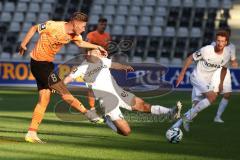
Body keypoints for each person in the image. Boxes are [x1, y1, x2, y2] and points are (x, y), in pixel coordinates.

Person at [19, 12, 107, 143]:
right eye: (83, 26)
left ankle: (31, 133)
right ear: (75, 23)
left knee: (44, 99)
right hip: (39, 63)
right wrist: (23, 44)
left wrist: (97, 46)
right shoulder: (52, 25)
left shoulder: (75, 35)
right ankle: (88, 114)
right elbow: (34, 28)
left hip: (47, 64)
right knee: (64, 92)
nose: (84, 29)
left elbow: (81, 44)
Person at [63, 49, 182, 136]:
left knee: (143, 106)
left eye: (99, 52)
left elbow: (114, 65)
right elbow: (68, 78)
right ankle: (108, 121)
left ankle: (170, 112)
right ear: (88, 54)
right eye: (96, 52)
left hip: (120, 93)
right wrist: (59, 86)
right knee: (126, 132)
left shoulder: (103, 61)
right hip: (107, 101)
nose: (99, 53)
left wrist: (124, 67)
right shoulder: (82, 67)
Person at [171, 30, 232, 131]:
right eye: (218, 41)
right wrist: (181, 74)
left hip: (206, 82)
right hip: (196, 77)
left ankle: (187, 119)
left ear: (226, 43)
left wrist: (221, 83)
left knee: (195, 108)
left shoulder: (226, 55)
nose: (220, 43)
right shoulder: (206, 50)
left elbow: (224, 69)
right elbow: (190, 58)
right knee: (212, 97)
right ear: (215, 41)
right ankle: (178, 123)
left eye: (222, 41)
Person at [211, 29, 238, 123]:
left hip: (225, 71)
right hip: (214, 71)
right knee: (212, 96)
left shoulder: (232, 47)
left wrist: (234, 62)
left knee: (227, 94)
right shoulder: (213, 44)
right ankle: (192, 111)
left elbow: (233, 59)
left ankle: (217, 117)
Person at [85, 17, 111, 109]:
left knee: (103, 86)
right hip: (92, 62)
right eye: (102, 24)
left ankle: (104, 107)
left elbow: (107, 49)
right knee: (91, 86)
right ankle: (92, 107)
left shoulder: (107, 36)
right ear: (98, 24)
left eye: (105, 25)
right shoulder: (91, 35)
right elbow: (85, 46)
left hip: (102, 64)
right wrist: (87, 57)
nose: (103, 26)